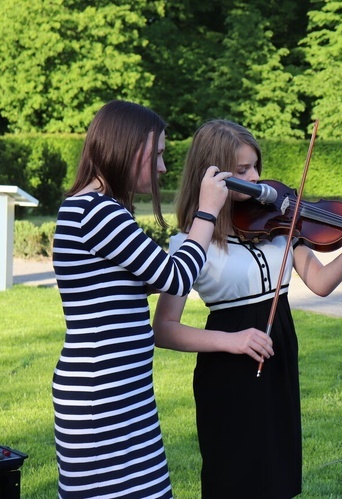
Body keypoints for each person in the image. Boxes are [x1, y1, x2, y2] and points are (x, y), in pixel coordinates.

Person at [152, 119, 342, 498]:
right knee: (234, 479)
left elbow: (319, 282)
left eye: (255, 166)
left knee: (277, 479)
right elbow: (164, 328)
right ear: (212, 175)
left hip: (279, 357)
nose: (257, 177)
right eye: (243, 170)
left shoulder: (278, 221)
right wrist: (232, 341)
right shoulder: (189, 241)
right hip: (228, 373)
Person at [51, 100, 233, 498]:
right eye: (158, 156)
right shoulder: (97, 212)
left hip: (120, 393)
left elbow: (127, 282)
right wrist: (206, 213)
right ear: (128, 149)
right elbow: (176, 276)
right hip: (103, 399)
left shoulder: (90, 209)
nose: (163, 168)